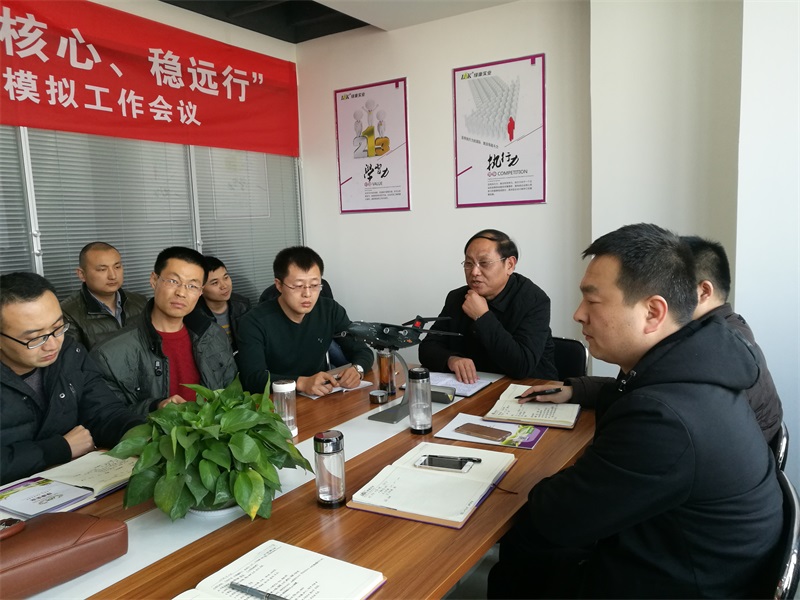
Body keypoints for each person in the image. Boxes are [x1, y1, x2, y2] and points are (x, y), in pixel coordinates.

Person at [488, 223, 783, 599]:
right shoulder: (697, 367)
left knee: (519, 557)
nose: (578, 315)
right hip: (695, 559)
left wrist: (548, 481)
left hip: (677, 583)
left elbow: (556, 518)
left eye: (592, 301)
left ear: (653, 313)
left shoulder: (664, 416)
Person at [525, 235, 785, 446]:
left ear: (703, 291)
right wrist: (577, 390)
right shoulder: (710, 339)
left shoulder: (715, 354)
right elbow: (638, 385)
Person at [1, 272, 145, 485]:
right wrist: (59, 448)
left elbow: (104, 412)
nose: (53, 345)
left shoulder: (69, 354)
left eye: (58, 328)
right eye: (35, 338)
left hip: (70, 485)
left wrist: (143, 434)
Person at [91, 247, 237, 416]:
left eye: (192, 286)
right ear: (154, 280)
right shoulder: (109, 354)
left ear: (200, 292)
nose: (181, 293)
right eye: (173, 281)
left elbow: (232, 395)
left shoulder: (213, 335)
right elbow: (106, 417)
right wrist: (154, 407)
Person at [419, 229, 557, 383]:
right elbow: (427, 347)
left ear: (509, 265)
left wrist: (482, 316)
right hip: (475, 386)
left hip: (528, 388)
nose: (474, 272)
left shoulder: (534, 300)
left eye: (484, 263)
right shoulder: (457, 298)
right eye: (469, 263)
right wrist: (451, 359)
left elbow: (521, 366)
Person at [237, 246, 373, 397]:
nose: (307, 294)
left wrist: (357, 369)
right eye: (298, 286)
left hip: (319, 397)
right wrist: (301, 383)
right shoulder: (253, 322)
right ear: (279, 285)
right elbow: (253, 378)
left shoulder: (330, 310)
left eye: (314, 285)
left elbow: (362, 350)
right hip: (275, 402)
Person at [60, 242, 147, 350]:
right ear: (82, 274)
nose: (113, 276)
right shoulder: (68, 313)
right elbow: (74, 357)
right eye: (102, 269)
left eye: (117, 267)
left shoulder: (140, 302)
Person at [192, 256, 251, 354]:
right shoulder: (194, 314)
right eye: (215, 283)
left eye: (226, 277)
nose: (224, 286)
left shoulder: (242, 305)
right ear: (200, 289)